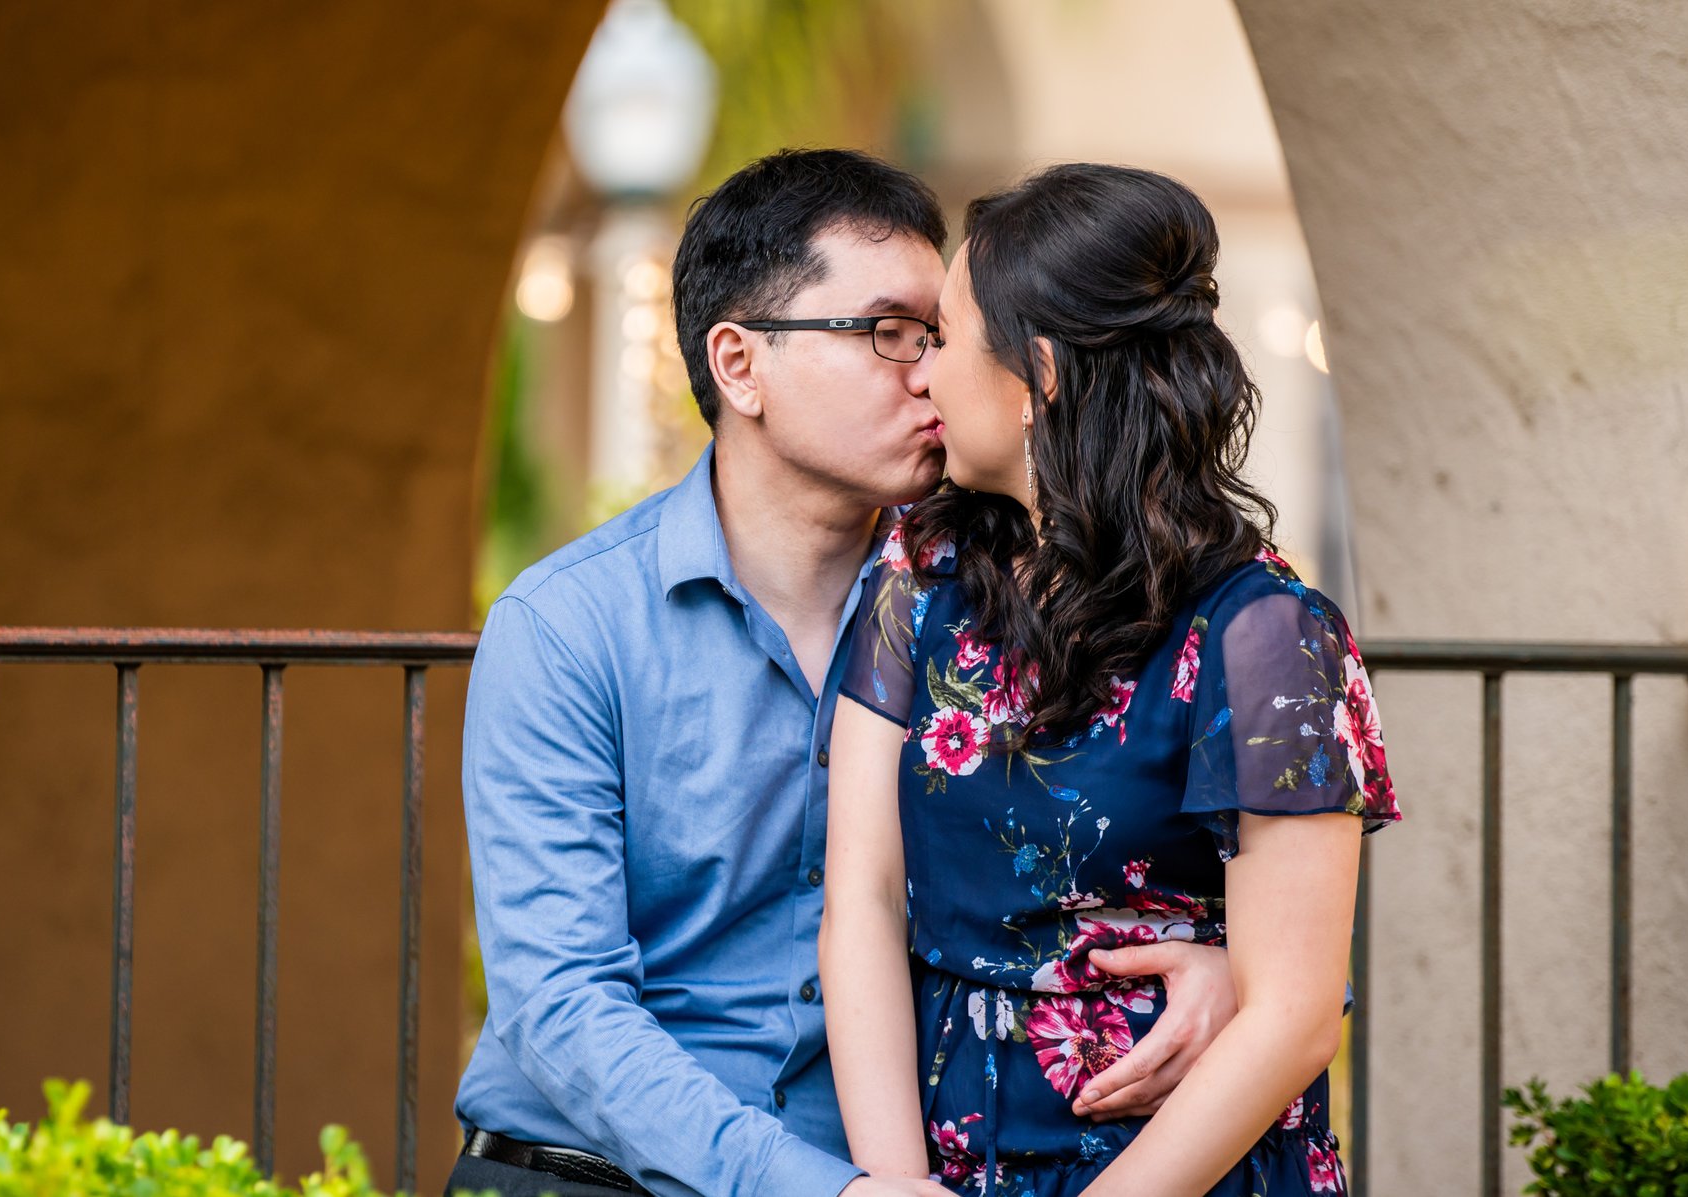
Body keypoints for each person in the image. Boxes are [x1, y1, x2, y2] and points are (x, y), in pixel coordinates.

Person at [444, 150, 1241, 1197]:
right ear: (740, 365)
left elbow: (1144, 859)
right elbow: (561, 1005)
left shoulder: (1002, 603)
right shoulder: (567, 627)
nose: (931, 372)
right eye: (887, 333)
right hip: (595, 1172)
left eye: (941, 335)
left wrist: (1232, 971)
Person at [821, 163, 1402, 1197]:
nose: (924, 375)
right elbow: (861, 896)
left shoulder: (1267, 634)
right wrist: (894, 1185)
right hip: (950, 1161)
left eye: (945, 338)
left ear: (1038, 374)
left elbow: (1295, 1013)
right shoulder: (921, 577)